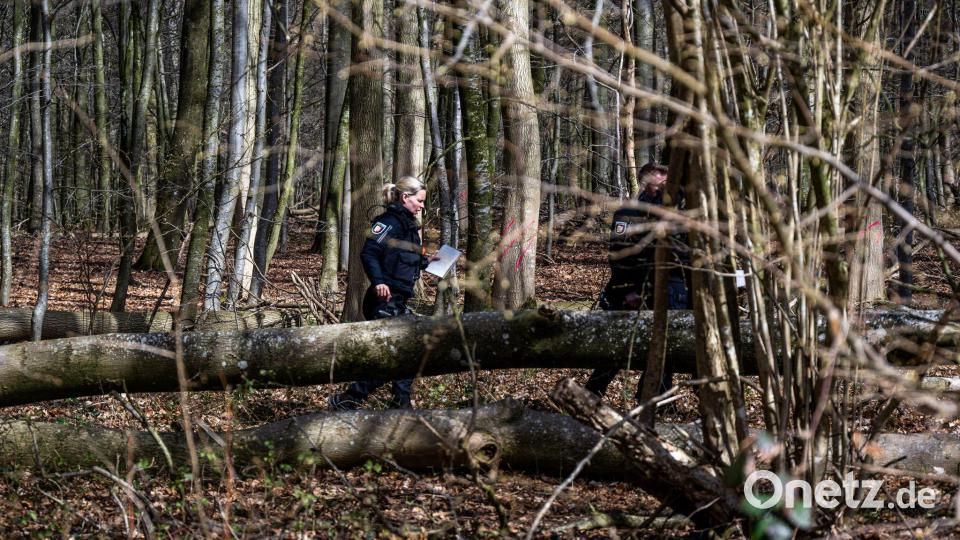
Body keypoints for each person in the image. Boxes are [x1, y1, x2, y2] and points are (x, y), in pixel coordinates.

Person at [329, 176, 435, 410]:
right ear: (405, 198)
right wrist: (379, 282)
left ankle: (399, 403)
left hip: (398, 301)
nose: (422, 206)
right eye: (419, 200)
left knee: (408, 352)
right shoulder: (388, 222)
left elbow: (406, 259)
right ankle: (349, 399)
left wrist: (428, 261)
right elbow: (369, 253)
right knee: (395, 357)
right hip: (383, 301)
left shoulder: (409, 228)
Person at [585, 163, 691, 398]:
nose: (665, 177)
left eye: (667, 173)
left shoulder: (674, 207)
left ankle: (655, 397)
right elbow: (621, 254)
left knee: (667, 344)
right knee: (624, 344)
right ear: (645, 179)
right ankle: (594, 390)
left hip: (671, 286)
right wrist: (629, 290)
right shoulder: (629, 211)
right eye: (659, 173)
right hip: (634, 288)